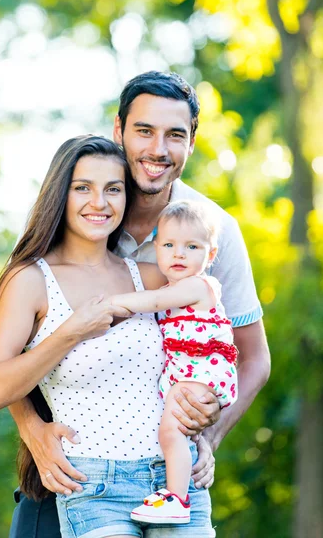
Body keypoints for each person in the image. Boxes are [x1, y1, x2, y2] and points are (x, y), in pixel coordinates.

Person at [8, 71, 270, 538]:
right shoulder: (83, 206)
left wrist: (204, 439)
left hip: (161, 468)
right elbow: (10, 350)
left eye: (175, 135)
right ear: (119, 130)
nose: (158, 150)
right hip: (70, 466)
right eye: (144, 130)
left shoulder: (212, 232)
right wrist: (32, 431)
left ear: (192, 141)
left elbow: (254, 358)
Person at [0, 134, 219, 537]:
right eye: (82, 188)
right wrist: (71, 332)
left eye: (113, 189)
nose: (99, 203)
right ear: (60, 194)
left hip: (176, 480)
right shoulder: (30, 280)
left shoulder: (153, 276)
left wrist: (202, 427)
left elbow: (208, 342)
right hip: (96, 485)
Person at [108, 199, 238, 525]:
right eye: (169, 245)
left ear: (209, 255)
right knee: (179, 431)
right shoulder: (177, 286)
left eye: (191, 246)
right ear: (156, 248)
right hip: (192, 371)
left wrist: (112, 303)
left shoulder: (196, 286)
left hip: (202, 370)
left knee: (170, 432)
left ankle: (176, 498)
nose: (179, 254)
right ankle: (176, 490)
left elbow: (152, 301)